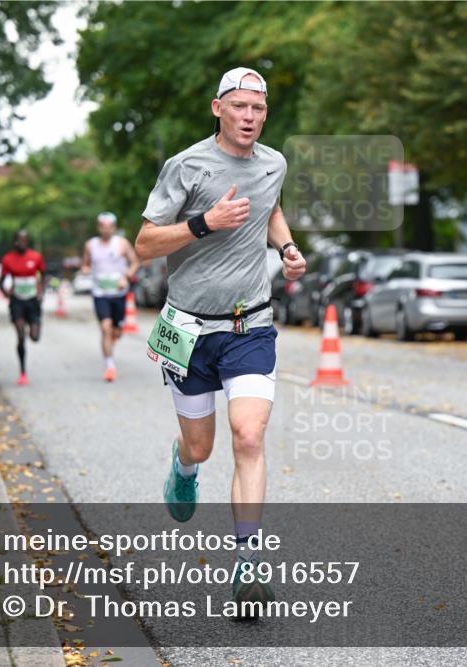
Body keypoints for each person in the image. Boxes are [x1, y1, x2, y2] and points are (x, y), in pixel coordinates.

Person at [135, 67, 306, 611]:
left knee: (249, 436)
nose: (250, 117)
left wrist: (286, 249)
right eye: (239, 107)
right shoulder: (185, 166)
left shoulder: (274, 163)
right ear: (218, 109)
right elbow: (143, 245)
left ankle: (248, 565)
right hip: (186, 327)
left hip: (247, 323)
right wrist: (204, 223)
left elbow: (271, 208)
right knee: (202, 446)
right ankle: (183, 467)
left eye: (258, 108)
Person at [81, 212, 140, 382]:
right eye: (103, 226)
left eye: (109, 227)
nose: (106, 230)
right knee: (105, 328)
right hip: (100, 293)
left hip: (119, 293)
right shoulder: (90, 245)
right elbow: (85, 263)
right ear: (98, 227)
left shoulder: (121, 244)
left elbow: (135, 262)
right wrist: (85, 269)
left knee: (117, 331)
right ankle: (110, 366)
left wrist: (126, 277)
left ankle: (114, 336)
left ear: (114, 228)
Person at [0, 230, 45, 385]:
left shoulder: (36, 257)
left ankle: (36, 324)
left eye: (25, 240)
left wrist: (41, 292)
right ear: (15, 242)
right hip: (17, 301)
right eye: (19, 240)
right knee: (20, 336)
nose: (22, 243)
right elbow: (2, 280)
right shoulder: (7, 259)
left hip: (32, 300)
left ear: (28, 241)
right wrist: (6, 293)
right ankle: (23, 372)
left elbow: (43, 275)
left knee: (34, 337)